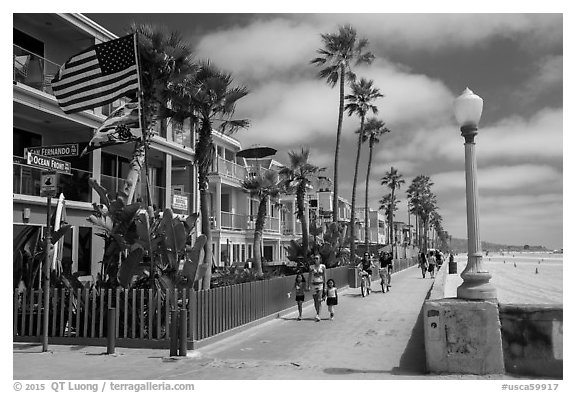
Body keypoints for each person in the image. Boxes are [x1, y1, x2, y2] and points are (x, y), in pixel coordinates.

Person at [307, 254, 326, 322]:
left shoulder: (323, 267)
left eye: (317, 258)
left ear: (320, 259)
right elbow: (309, 277)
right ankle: (317, 312)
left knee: (319, 300)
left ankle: (318, 314)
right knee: (315, 301)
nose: (315, 260)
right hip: (313, 285)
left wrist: (325, 286)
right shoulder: (311, 267)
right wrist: (308, 285)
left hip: (320, 284)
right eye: (315, 258)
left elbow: (324, 276)